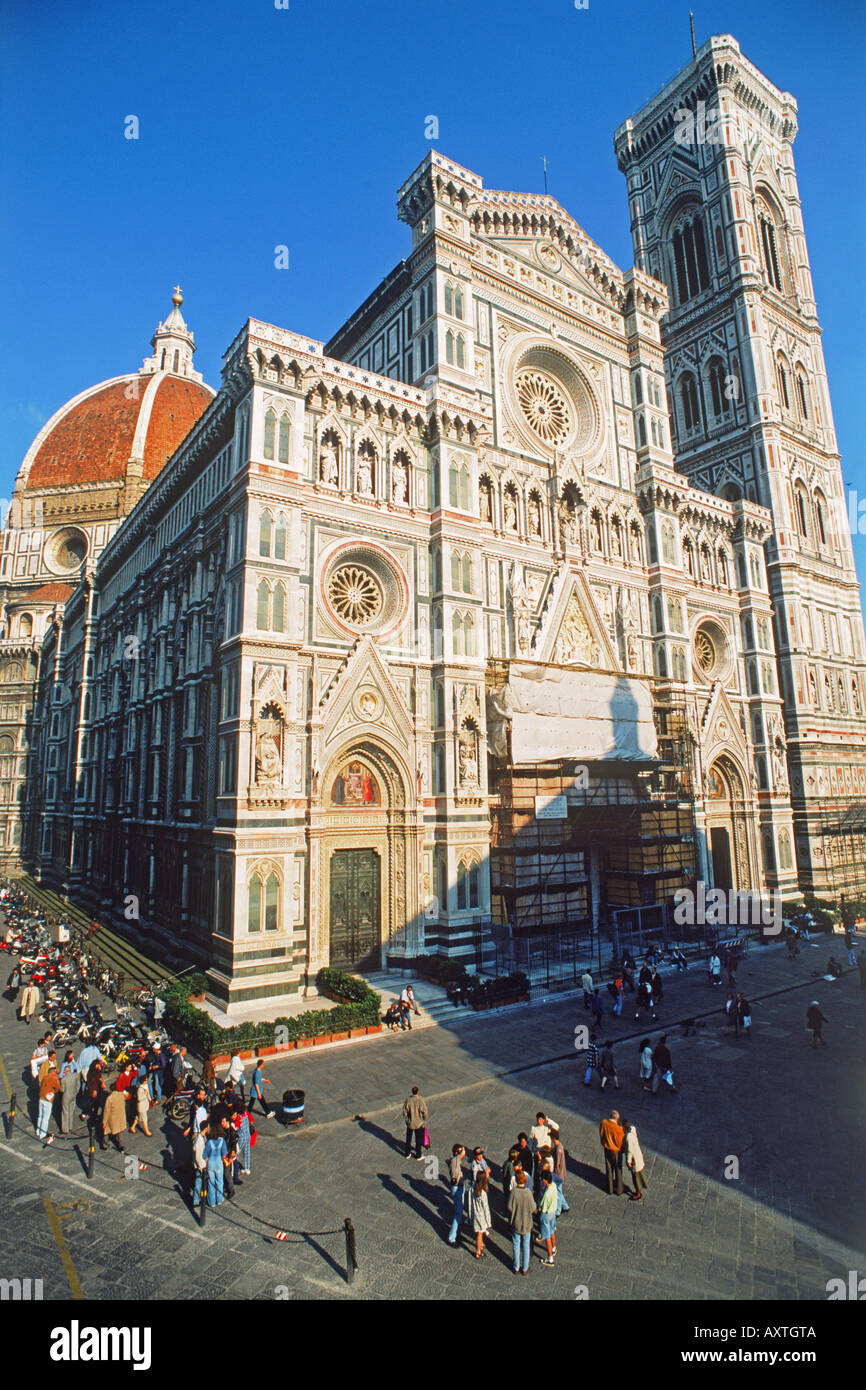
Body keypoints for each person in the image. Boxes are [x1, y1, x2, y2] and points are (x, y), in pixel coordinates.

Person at [507, 1170, 535, 1276]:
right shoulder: (528, 1192)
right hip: (527, 1222)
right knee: (526, 1245)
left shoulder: (514, 1192)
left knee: (516, 1243)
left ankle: (516, 1266)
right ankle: (525, 1267)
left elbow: (509, 1207)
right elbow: (533, 1208)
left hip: (516, 1222)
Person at [599, 1110, 625, 1196]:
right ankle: (619, 1189)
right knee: (618, 1169)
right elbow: (620, 1143)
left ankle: (609, 1188)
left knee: (609, 1168)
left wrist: (604, 1143)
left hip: (607, 1148)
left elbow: (601, 1134)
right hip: (616, 1151)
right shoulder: (619, 1129)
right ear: (617, 1119)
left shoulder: (603, 1123)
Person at [36, 1055, 61, 1146]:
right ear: (53, 1073)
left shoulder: (45, 1077)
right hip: (48, 1101)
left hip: (41, 1098)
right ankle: (43, 1134)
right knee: (46, 1118)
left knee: (40, 1116)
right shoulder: (53, 1080)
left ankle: (38, 1131)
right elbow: (58, 1088)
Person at [468, 1168, 492, 1259]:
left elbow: (469, 1202)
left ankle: (480, 1244)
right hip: (481, 1216)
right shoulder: (483, 1193)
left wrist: (470, 1215)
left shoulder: (471, 1189)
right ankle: (478, 1251)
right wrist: (488, 1222)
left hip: (474, 1214)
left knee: (478, 1232)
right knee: (480, 1233)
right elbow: (486, 1209)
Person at [203, 1124, 228, 1207]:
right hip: (219, 1163)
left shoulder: (209, 1142)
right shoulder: (222, 1141)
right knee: (220, 1182)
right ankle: (219, 1199)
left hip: (210, 1163)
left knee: (211, 1183)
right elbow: (224, 1154)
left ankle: (212, 1202)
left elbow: (205, 1155)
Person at [447, 1143, 467, 1246]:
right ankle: (451, 1237)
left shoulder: (455, 1160)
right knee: (458, 1215)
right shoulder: (455, 1161)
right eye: (460, 1152)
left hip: (459, 1186)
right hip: (457, 1187)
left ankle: (457, 1232)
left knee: (459, 1211)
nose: (463, 1153)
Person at [623, 1120, 648, 1201]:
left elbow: (630, 1150)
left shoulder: (628, 1137)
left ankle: (638, 1193)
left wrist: (628, 1161)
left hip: (635, 1161)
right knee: (639, 1175)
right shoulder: (633, 1130)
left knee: (636, 1178)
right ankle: (639, 1191)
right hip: (639, 1157)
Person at [537, 1171, 558, 1265]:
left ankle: (550, 1259)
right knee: (552, 1231)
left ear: (545, 1180)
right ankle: (554, 1249)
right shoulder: (553, 1185)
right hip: (553, 1212)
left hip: (546, 1214)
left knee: (546, 1236)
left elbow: (543, 1208)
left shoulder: (546, 1194)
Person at [402, 1085, 428, 1160]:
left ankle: (407, 1153)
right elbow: (425, 1111)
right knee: (418, 1139)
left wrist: (407, 1120)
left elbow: (404, 1112)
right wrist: (424, 1119)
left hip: (410, 1123)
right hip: (418, 1123)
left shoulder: (408, 1100)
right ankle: (418, 1155)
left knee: (408, 1138)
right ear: (418, 1092)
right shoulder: (420, 1100)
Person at [248, 1051, 275, 1118]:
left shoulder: (256, 1070)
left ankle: (247, 1114)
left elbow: (259, 1079)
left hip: (255, 1092)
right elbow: (256, 1084)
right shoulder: (258, 1072)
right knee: (262, 1102)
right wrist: (259, 1093)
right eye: (263, 1064)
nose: (264, 1065)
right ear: (261, 1065)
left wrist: (265, 1080)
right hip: (257, 1091)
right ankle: (268, 1113)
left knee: (251, 1104)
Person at [102, 1086, 129, 1153]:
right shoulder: (121, 1095)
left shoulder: (110, 1098)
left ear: (111, 1090)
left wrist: (104, 1122)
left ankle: (105, 1144)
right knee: (119, 1132)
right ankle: (121, 1146)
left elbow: (106, 1111)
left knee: (106, 1131)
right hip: (120, 1117)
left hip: (112, 1118)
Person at [550, 1128, 569, 1214]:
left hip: (558, 1174)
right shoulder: (559, 1145)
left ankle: (558, 1210)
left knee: (558, 1191)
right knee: (559, 1190)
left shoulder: (558, 1149)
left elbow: (557, 1164)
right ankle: (565, 1206)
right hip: (561, 1173)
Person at [59, 1051, 79, 1134]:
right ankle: (70, 1126)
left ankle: (65, 1129)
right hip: (73, 1091)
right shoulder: (74, 1075)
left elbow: (61, 1076)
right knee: (71, 1110)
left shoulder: (65, 1073)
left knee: (65, 1111)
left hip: (67, 1092)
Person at [235, 1097, 254, 1176]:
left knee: (237, 1152)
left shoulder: (238, 1117)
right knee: (247, 1151)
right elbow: (252, 1120)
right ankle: (247, 1168)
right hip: (248, 1135)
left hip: (241, 1137)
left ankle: (235, 1167)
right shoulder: (246, 1113)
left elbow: (236, 1127)